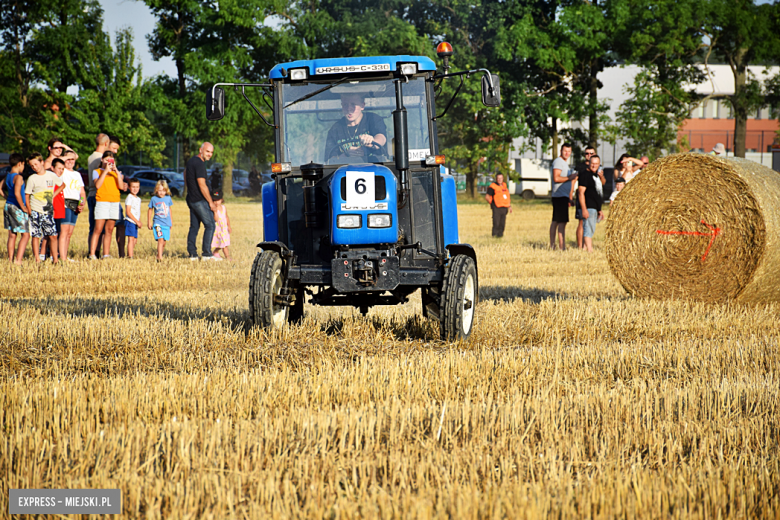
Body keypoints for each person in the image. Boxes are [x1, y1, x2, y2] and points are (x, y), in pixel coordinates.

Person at [325, 92, 387, 163]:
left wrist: (371, 142)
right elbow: (329, 161)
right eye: (345, 105)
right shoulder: (335, 129)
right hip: (345, 171)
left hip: (376, 169)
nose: (349, 109)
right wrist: (346, 155)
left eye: (353, 104)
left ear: (362, 106)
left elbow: (381, 138)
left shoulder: (373, 119)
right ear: (341, 106)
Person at [25, 152, 64, 263]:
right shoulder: (32, 178)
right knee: (36, 235)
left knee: (53, 235)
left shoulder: (51, 175)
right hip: (35, 210)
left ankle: (55, 259)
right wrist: (29, 210)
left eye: (36, 164)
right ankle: (37, 259)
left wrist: (53, 195)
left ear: (42, 162)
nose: (34, 167)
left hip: (47, 210)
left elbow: (62, 185)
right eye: (32, 166)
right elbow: (27, 195)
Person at [184, 142, 217, 260]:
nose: (210, 154)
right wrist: (211, 203)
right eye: (207, 151)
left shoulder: (192, 161)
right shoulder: (199, 164)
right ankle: (207, 254)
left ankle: (192, 254)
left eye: (211, 152)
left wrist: (190, 189)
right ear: (201, 150)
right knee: (210, 225)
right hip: (199, 200)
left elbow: (185, 174)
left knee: (194, 227)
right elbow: (202, 185)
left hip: (191, 198)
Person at [89, 151, 123, 259]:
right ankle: (92, 254)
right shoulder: (97, 171)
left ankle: (106, 254)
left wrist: (116, 171)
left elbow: (121, 187)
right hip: (102, 201)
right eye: (106, 160)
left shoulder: (116, 173)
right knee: (98, 229)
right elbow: (98, 185)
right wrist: (105, 171)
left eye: (111, 160)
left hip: (114, 202)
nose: (108, 162)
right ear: (102, 160)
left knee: (109, 230)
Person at [58, 150, 86, 262]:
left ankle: (64, 254)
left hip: (75, 202)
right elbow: (59, 161)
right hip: (65, 202)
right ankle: (62, 257)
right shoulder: (62, 171)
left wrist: (82, 202)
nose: (70, 161)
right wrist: (68, 155)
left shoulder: (77, 174)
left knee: (69, 232)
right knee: (64, 231)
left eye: (72, 159)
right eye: (68, 159)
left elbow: (82, 191)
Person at [549, 143, 577, 250]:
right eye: (565, 151)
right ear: (561, 150)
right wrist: (569, 178)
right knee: (560, 222)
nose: (567, 153)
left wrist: (570, 198)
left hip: (563, 196)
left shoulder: (565, 163)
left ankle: (556, 245)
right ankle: (561, 246)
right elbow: (556, 178)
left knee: (557, 221)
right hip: (559, 196)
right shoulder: (558, 162)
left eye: (569, 151)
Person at [3, 153, 30, 264]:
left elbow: (0, 188)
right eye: (23, 165)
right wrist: (23, 207)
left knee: (12, 235)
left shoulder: (8, 175)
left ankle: (10, 259)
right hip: (16, 207)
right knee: (25, 235)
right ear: (20, 164)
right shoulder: (18, 177)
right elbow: (17, 194)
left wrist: (7, 197)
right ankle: (18, 260)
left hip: (8, 206)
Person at [578, 154, 606, 253]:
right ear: (589, 163)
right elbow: (581, 192)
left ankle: (585, 249)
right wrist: (584, 209)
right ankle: (590, 250)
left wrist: (599, 209)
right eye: (592, 163)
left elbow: (602, 184)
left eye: (597, 164)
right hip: (588, 206)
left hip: (594, 207)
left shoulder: (596, 175)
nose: (594, 166)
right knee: (588, 229)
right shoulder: (585, 175)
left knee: (591, 229)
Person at [87, 133, 110, 251]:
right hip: (98, 194)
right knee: (98, 228)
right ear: (106, 143)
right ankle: (95, 251)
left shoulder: (91, 156)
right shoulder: (100, 158)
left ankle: (93, 251)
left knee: (93, 226)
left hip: (90, 193)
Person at [573, 146, 597, 250]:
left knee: (589, 224)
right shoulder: (581, 167)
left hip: (592, 200)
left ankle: (585, 245)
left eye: (591, 153)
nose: (589, 155)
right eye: (587, 153)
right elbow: (574, 181)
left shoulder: (596, 167)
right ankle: (580, 246)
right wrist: (571, 195)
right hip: (582, 198)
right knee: (582, 222)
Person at [108, 135, 127, 257]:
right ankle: (103, 253)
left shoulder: (113, 163)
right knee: (106, 229)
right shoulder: (102, 160)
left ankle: (122, 254)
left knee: (121, 225)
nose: (115, 152)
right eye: (114, 148)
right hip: (106, 199)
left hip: (116, 198)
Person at [148, 180, 173, 262]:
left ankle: (159, 254)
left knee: (164, 242)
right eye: (160, 190)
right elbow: (150, 210)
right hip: (157, 223)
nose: (161, 193)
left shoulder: (168, 198)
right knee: (160, 239)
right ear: (156, 190)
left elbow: (169, 210)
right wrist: (149, 221)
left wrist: (171, 221)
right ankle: (160, 257)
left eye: (163, 191)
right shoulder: (154, 199)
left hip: (166, 224)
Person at [485, 173, 512, 238]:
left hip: (504, 208)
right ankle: (494, 236)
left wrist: (509, 206)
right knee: (496, 223)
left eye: (501, 178)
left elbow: (507, 197)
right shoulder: (493, 186)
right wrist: (492, 204)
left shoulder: (504, 186)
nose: (499, 180)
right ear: (496, 179)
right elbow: (487, 196)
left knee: (502, 223)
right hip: (497, 208)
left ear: (503, 179)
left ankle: (500, 236)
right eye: (498, 178)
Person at [211, 190, 232, 260]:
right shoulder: (214, 209)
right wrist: (214, 211)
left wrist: (229, 226)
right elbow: (216, 219)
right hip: (218, 229)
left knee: (223, 243)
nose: (216, 202)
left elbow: (226, 217)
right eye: (214, 200)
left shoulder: (223, 208)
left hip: (224, 229)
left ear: (222, 200)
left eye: (218, 200)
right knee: (223, 244)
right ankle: (228, 257)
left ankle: (215, 252)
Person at [124, 179, 143, 259]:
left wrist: (139, 221)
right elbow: (128, 212)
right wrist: (136, 221)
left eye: (137, 187)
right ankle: (130, 256)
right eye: (133, 187)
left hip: (135, 222)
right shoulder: (129, 198)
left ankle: (130, 253)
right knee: (131, 240)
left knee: (135, 240)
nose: (135, 189)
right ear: (129, 187)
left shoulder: (138, 199)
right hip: (130, 221)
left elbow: (137, 211)